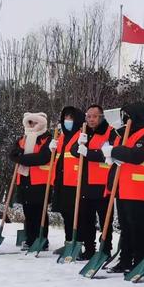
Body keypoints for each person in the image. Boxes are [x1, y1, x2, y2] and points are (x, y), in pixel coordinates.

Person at [102, 101, 144, 274]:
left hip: (140, 191)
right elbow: (117, 153)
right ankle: (125, 259)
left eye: (127, 116)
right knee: (126, 228)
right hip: (124, 189)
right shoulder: (123, 135)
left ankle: (140, 261)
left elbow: (136, 156)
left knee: (139, 228)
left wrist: (114, 151)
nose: (124, 119)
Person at [70, 104, 114, 260]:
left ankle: (106, 249)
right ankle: (89, 248)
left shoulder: (110, 132)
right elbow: (73, 151)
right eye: (88, 116)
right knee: (86, 219)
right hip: (85, 182)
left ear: (101, 117)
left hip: (103, 184)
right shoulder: (83, 131)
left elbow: (109, 154)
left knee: (105, 220)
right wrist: (78, 145)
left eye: (94, 116)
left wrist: (88, 152)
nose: (91, 119)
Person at [9, 112, 52, 250]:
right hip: (25, 179)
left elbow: (43, 157)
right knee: (28, 211)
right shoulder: (23, 138)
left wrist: (22, 158)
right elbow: (12, 154)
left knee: (40, 211)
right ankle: (30, 238)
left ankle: (42, 239)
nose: (32, 125)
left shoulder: (47, 139)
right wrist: (22, 157)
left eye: (35, 122)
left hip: (40, 180)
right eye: (30, 122)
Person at [49, 106, 85, 252]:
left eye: (71, 118)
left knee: (75, 214)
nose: (68, 121)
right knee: (66, 214)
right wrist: (52, 149)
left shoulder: (81, 135)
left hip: (75, 181)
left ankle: (78, 242)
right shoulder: (62, 136)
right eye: (66, 118)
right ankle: (68, 241)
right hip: (61, 180)